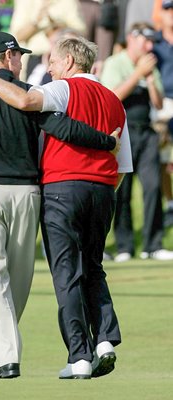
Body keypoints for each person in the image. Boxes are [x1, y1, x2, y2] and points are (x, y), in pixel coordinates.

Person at [0, 31, 121, 379]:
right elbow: (64, 128)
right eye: (19, 56)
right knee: (18, 281)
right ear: (8, 58)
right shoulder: (24, 94)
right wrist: (105, 141)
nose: (23, 62)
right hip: (26, 195)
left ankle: (5, 357)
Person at [101, 22, 173, 262]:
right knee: (123, 191)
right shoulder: (116, 63)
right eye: (146, 40)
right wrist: (137, 74)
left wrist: (151, 80)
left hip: (147, 131)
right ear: (132, 38)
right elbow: (112, 96)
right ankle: (125, 246)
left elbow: (160, 104)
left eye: (152, 41)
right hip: (122, 132)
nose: (150, 46)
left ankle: (153, 244)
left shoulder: (150, 65)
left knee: (153, 187)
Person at [9, 0, 85, 80]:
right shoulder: (26, 2)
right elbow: (18, 36)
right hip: (34, 58)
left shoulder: (69, 2)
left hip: (61, 58)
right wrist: (36, 21)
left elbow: (80, 33)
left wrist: (57, 24)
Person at [152, 0, 173, 228]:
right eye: (168, 10)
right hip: (163, 103)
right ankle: (170, 203)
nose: (171, 14)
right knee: (164, 157)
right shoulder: (155, 42)